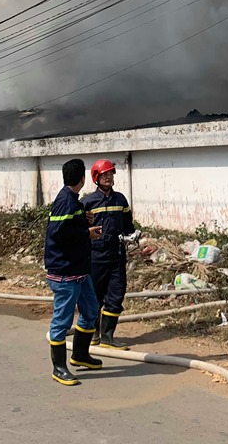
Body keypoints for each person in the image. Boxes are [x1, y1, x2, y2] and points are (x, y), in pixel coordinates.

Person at [44, 158, 104, 386]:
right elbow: (58, 233)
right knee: (62, 320)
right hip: (64, 273)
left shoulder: (72, 202)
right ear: (83, 178)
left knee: (91, 311)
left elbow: (68, 225)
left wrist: (83, 220)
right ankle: (59, 368)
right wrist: (86, 233)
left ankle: (80, 355)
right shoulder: (65, 202)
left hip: (79, 271)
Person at [81, 159, 138, 350]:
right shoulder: (87, 202)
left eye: (111, 174)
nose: (108, 177)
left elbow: (128, 225)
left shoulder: (120, 200)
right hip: (95, 256)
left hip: (117, 255)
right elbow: (79, 230)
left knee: (116, 294)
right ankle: (94, 334)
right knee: (94, 297)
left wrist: (133, 235)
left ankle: (107, 336)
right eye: (104, 174)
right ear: (96, 178)